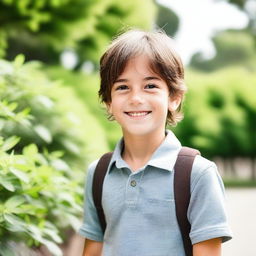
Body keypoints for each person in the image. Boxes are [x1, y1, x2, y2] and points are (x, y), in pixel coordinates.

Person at [78, 29, 232, 256]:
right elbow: (93, 248)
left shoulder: (197, 174)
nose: (136, 98)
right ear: (109, 101)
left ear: (173, 98)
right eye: (122, 87)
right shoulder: (99, 172)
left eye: (150, 86)